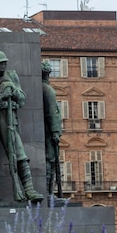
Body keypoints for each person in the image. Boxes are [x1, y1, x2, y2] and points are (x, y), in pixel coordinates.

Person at [0, 49, 43, 203]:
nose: (3, 65)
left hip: (9, 120)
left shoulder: (12, 76)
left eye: (4, 62)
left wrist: (13, 91)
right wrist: (0, 95)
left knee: (20, 154)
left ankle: (29, 189)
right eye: (0, 63)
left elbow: (22, 100)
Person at [42, 61, 63, 195]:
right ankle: (49, 193)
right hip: (50, 131)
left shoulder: (41, 88)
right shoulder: (48, 90)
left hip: (46, 130)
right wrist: (55, 131)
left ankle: (49, 192)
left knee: (50, 161)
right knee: (51, 160)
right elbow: (52, 112)